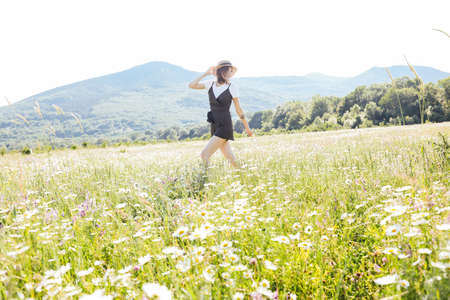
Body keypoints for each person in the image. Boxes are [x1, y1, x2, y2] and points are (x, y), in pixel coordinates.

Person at [188, 60, 253, 170]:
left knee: (204, 154)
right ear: (222, 71)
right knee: (230, 157)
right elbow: (191, 85)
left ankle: (205, 180)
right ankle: (245, 174)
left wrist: (247, 127)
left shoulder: (232, 87)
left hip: (225, 125)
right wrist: (205, 73)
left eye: (232, 71)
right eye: (230, 70)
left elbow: (238, 109)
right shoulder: (210, 84)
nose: (231, 73)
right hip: (214, 124)